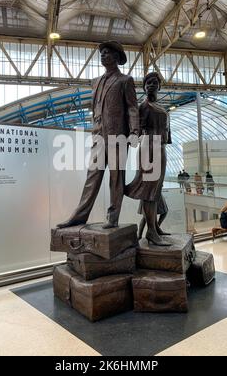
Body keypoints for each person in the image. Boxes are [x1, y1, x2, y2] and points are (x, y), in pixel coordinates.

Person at [57, 41, 139, 229]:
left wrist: (134, 131)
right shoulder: (96, 82)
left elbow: (133, 108)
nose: (103, 55)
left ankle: (113, 217)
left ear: (117, 58)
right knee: (92, 177)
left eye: (107, 53)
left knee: (116, 178)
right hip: (99, 137)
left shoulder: (125, 80)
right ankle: (79, 216)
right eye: (101, 53)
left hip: (118, 137)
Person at [125, 71, 171, 246]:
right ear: (144, 87)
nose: (151, 85)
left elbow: (167, 134)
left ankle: (155, 228)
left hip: (160, 147)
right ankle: (151, 231)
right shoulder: (142, 107)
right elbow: (134, 130)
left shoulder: (162, 107)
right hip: (148, 146)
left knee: (156, 189)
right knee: (149, 191)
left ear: (159, 86)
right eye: (148, 83)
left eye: (154, 82)